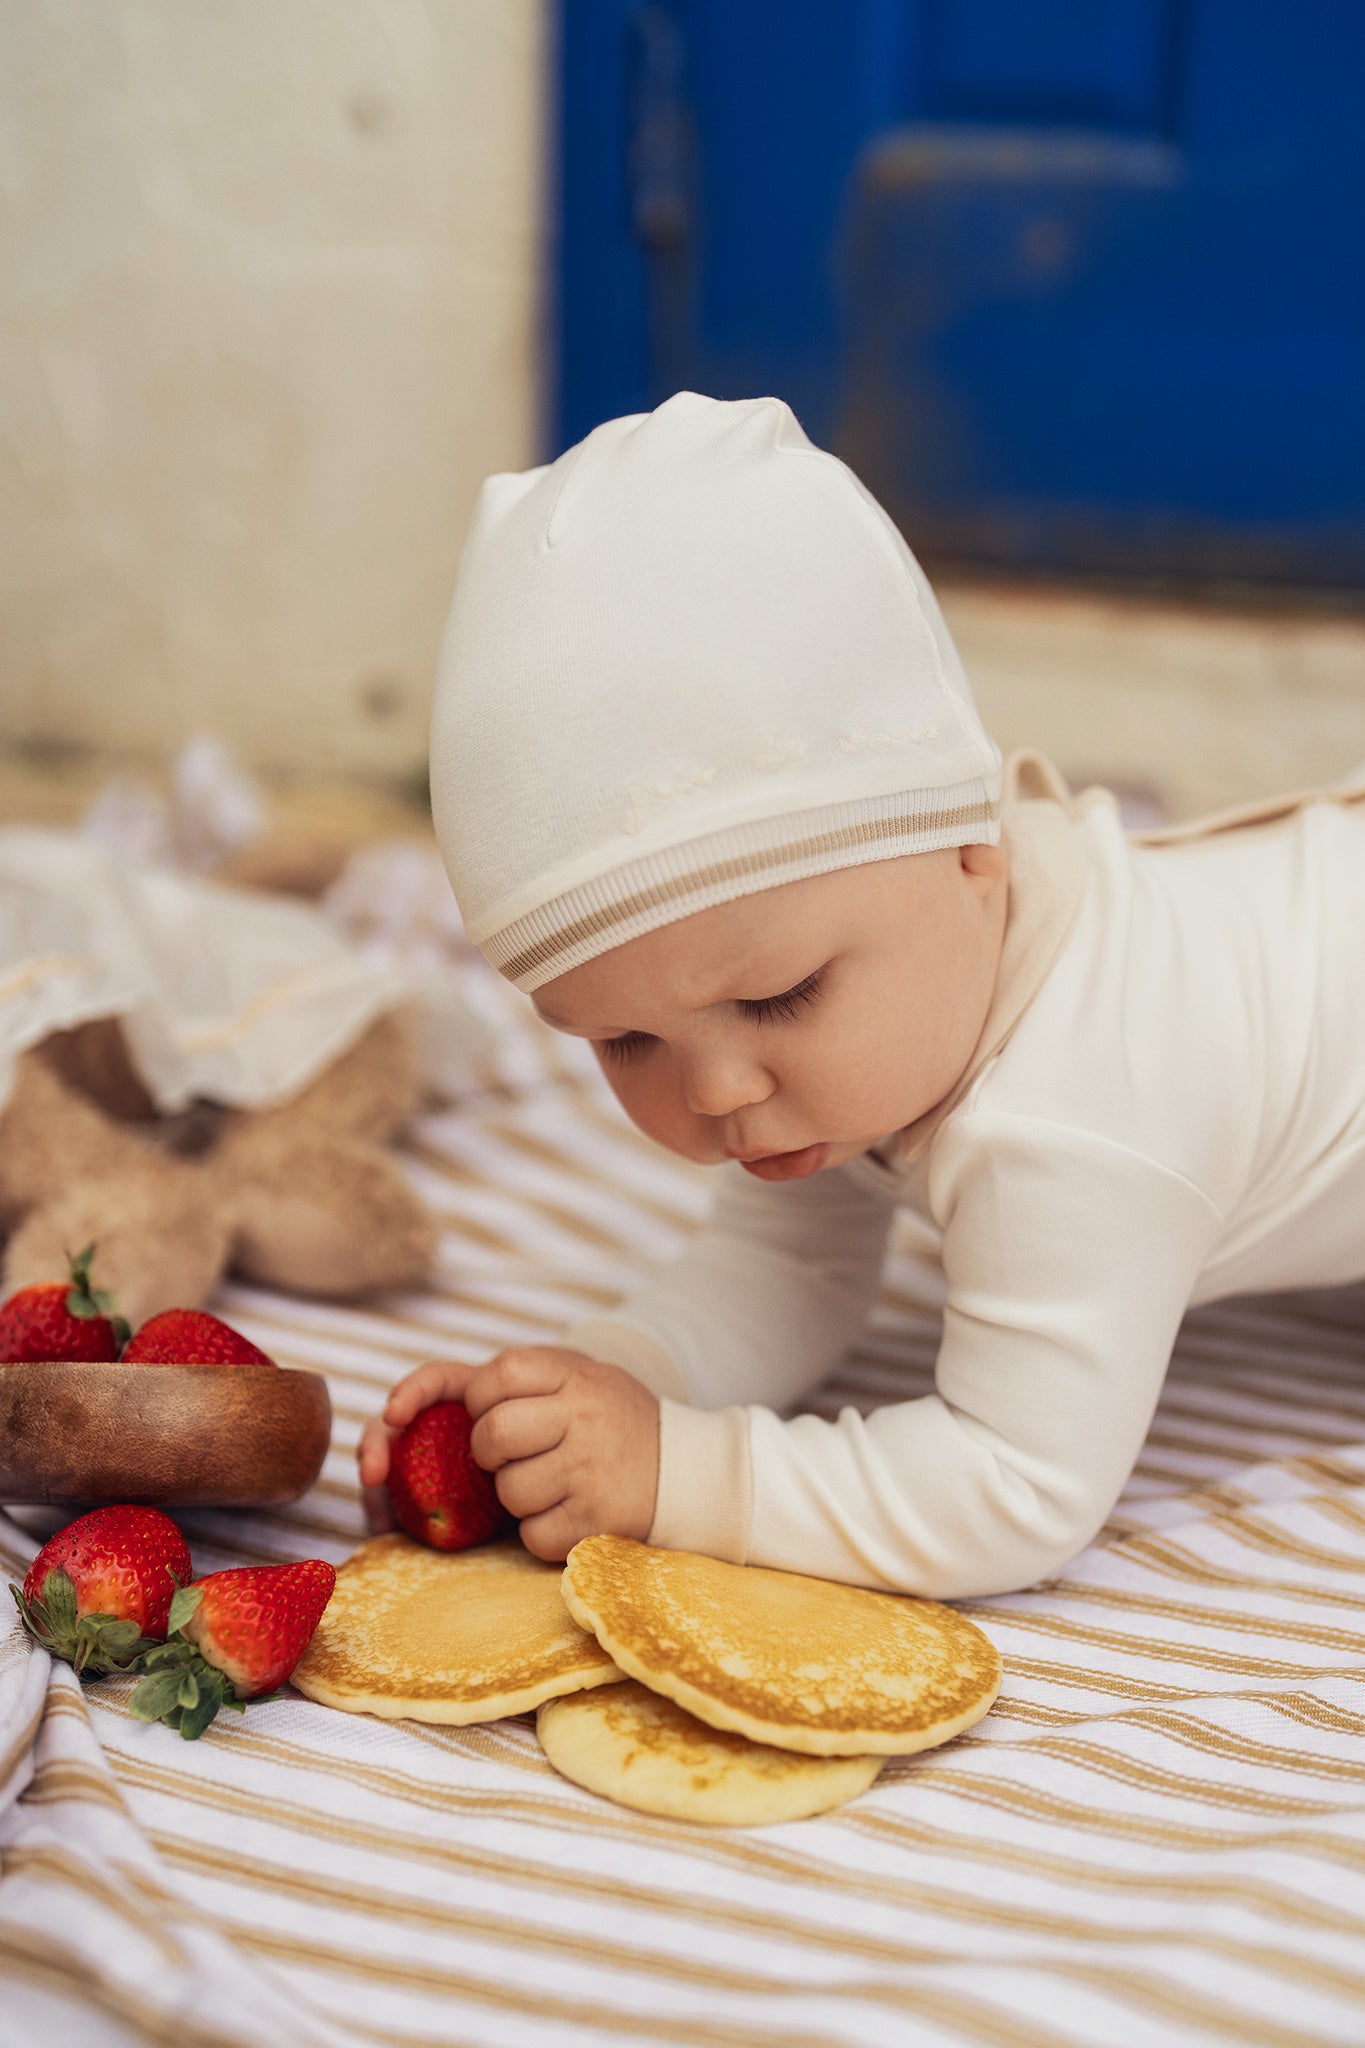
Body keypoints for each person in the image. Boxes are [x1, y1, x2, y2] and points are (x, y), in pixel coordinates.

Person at [358, 392, 1365, 1598]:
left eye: (782, 996)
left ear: (973, 850)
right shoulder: (883, 1019)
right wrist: (592, 1391)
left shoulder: (1072, 1114)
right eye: (626, 1038)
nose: (720, 1090)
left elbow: (1014, 1486)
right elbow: (786, 1274)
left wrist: (682, 1475)